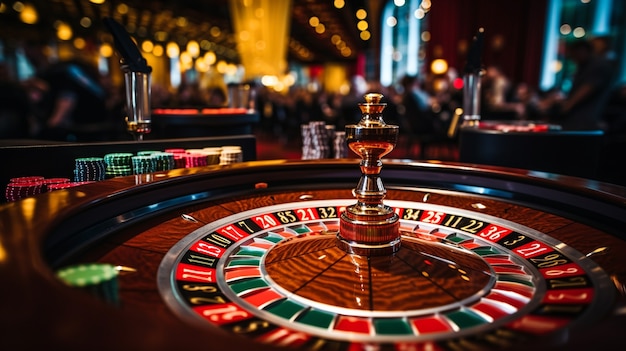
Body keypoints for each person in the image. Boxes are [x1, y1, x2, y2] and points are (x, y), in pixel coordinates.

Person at [550, 38, 616, 130]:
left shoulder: (599, 65)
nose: (572, 58)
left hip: (585, 120)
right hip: (580, 119)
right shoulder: (587, 66)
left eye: (573, 54)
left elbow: (587, 88)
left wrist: (566, 107)